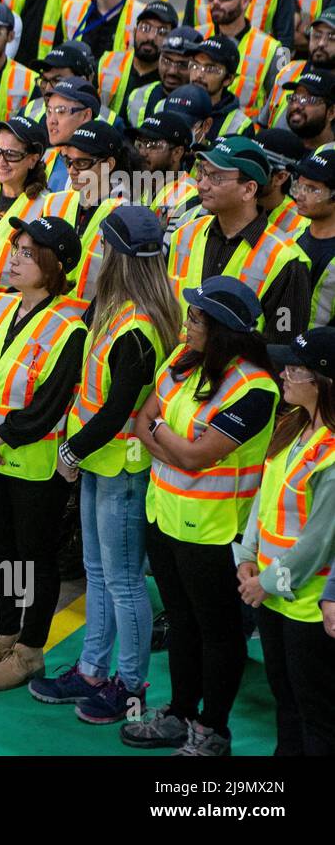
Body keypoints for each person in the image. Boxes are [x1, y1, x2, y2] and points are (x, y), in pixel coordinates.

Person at [33, 204, 181, 721]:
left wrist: (71, 451)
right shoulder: (115, 308)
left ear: (115, 255)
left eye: (101, 247)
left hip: (120, 466)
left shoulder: (137, 328)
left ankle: (130, 685)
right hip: (103, 462)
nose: (94, 254)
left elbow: (118, 408)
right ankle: (94, 669)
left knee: (121, 579)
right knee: (99, 572)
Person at [126, 276, 280, 756]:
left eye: (196, 318)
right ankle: (179, 712)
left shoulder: (255, 389)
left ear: (223, 330)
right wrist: (170, 440)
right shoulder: (181, 360)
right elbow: (142, 421)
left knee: (219, 634)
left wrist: (162, 436)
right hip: (164, 515)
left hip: (213, 533)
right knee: (182, 623)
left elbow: (198, 457)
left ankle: (211, 730)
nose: (187, 323)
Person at [0, 215, 87, 689]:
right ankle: (3, 636)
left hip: (33, 465)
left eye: (29, 253)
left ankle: (31, 648)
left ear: (54, 266)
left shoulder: (70, 328)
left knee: (36, 557)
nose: (14, 257)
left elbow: (49, 404)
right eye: (17, 247)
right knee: (3, 552)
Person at [241, 325, 335, 755]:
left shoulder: (331, 453)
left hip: (307, 605)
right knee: (286, 702)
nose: (284, 376)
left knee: (316, 713)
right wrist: (245, 555)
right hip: (274, 595)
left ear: (322, 381)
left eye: (294, 370)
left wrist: (264, 581)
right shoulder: (291, 425)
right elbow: (266, 497)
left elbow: (319, 541)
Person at [168, 136, 311, 344]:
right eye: (203, 172)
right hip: (177, 369)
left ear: (249, 189)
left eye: (216, 177)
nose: (202, 184)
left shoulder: (287, 261)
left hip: (237, 374)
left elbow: (281, 346)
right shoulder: (185, 233)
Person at [0, 116, 79, 331]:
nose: (1, 161)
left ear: (33, 160)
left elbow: (41, 278)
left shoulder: (47, 207)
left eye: (12, 155)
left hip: (5, 324)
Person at [195, 0, 290, 122]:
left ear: (245, 1)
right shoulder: (197, 36)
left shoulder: (274, 48)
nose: (216, 2)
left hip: (245, 135)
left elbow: (281, 101)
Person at [58, 120, 132, 302]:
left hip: (94, 322)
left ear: (109, 164)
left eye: (82, 163)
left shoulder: (126, 214)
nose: (71, 170)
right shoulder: (56, 202)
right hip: (53, 319)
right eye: (68, 161)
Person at [95, 0, 176, 117]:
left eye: (162, 32)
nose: (151, 37)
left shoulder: (172, 78)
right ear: (134, 31)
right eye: (145, 28)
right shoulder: (108, 62)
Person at [267, 8, 335, 128]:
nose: (321, 43)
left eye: (332, 37)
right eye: (317, 35)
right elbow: (264, 121)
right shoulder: (289, 71)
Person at [126, 26, 201, 128]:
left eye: (183, 64)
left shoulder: (204, 105)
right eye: (166, 61)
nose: (172, 71)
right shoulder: (137, 96)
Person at [292, 151, 335, 327]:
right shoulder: (295, 235)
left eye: (311, 189)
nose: (299, 195)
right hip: (286, 346)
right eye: (298, 186)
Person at [187, 34, 259, 137]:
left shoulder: (240, 126)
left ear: (228, 79)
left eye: (210, 69)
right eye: (195, 65)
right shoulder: (166, 105)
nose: (199, 74)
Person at [40, 77, 105, 191]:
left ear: (86, 115)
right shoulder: (43, 157)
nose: (51, 120)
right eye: (49, 111)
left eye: (61, 111)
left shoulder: (100, 168)